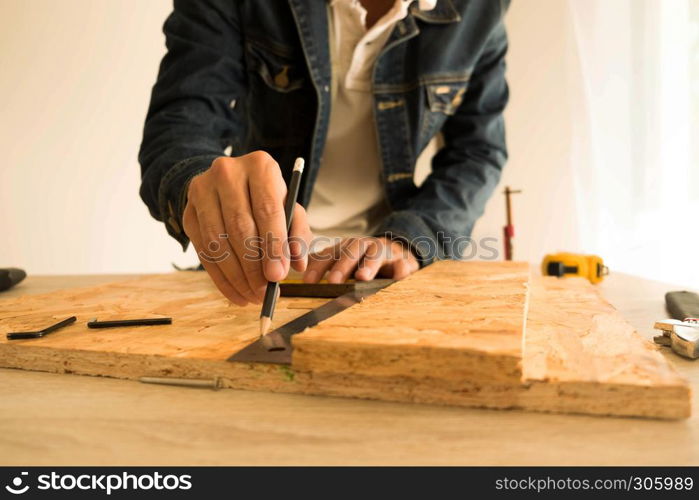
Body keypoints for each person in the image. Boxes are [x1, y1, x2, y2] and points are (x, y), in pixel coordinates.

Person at [139, 0, 510, 306]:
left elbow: (478, 151)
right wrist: (198, 184)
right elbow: (180, 124)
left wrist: (411, 239)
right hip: (254, 269)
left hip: (387, 269)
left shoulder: (481, 8)